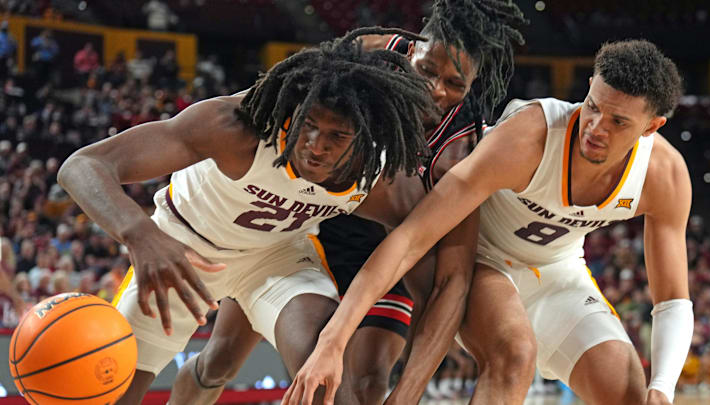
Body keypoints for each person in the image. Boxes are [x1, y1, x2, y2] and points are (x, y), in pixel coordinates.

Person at [289, 39, 691, 405]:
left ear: (651, 127)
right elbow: (412, 236)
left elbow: (672, 299)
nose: (596, 128)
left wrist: (663, 388)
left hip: (558, 270)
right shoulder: (528, 137)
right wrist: (334, 338)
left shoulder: (664, 175)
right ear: (588, 88)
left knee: (630, 397)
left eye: (618, 122)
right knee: (515, 354)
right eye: (592, 106)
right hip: (483, 258)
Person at [167, 2, 526, 404]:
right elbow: (278, 97)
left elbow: (450, 282)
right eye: (427, 71)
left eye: (455, 84)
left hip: (383, 243)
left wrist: (407, 395)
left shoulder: (461, 151)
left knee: (367, 382)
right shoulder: (368, 51)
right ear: (411, 52)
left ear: (474, 83)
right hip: (306, 220)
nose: (436, 89)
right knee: (221, 360)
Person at [57, 27, 436, 405]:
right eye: (308, 126)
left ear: (366, 138)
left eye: (336, 137)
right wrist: (140, 234)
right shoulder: (237, 127)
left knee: (324, 381)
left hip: (276, 257)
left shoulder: (378, 175)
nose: (315, 147)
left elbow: (424, 253)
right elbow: (83, 165)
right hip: (181, 248)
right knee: (111, 395)